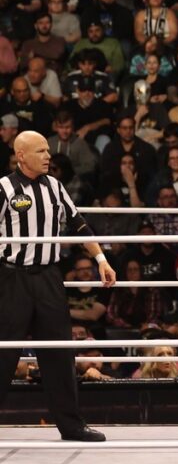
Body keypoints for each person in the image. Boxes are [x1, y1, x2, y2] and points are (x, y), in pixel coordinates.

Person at [0, 131, 116, 441]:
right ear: (21, 156)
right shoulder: (4, 188)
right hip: (13, 278)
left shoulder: (55, 186)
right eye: (40, 151)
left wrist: (101, 258)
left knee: (59, 352)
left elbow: (78, 223)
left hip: (49, 276)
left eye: (48, 150)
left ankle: (72, 425)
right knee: (4, 352)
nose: (48, 156)